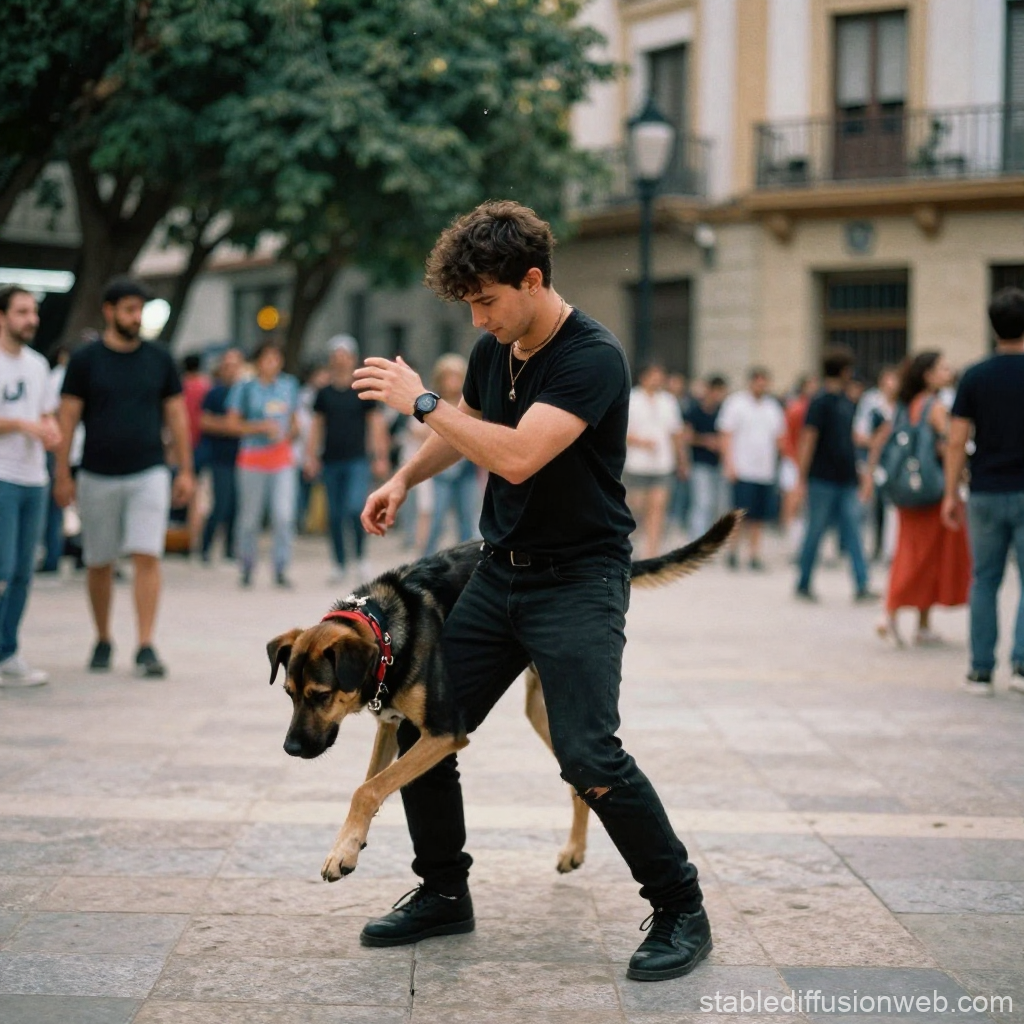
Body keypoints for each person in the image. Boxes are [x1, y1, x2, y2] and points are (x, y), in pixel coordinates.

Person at [351, 201, 711, 982]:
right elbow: (467, 428)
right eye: (470, 304)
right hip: (498, 571)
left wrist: (419, 398)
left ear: (533, 279)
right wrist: (403, 477)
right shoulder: (497, 347)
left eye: (487, 301)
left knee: (588, 754)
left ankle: (681, 908)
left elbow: (516, 457)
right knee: (424, 728)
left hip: (580, 580)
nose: (479, 319)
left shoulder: (592, 356)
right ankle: (445, 891)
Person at [54, 277, 194, 677]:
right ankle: (102, 637)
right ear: (109, 311)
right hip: (96, 473)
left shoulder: (160, 359)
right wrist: (61, 473)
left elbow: (177, 417)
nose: (136, 317)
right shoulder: (85, 361)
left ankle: (145, 644)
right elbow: (67, 417)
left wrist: (185, 469)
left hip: (148, 471)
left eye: (140, 309)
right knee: (98, 560)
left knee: (147, 554)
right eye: (129, 309)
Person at [942, 287, 1024, 696]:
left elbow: (956, 441)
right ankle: (1023, 666)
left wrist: (950, 493)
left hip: (986, 491)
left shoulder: (975, 375)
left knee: (984, 580)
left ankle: (980, 669)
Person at [872, 352, 970, 646]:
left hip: (907, 490)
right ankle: (889, 612)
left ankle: (920, 623)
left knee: (914, 552)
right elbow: (950, 444)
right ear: (928, 374)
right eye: (942, 367)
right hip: (931, 491)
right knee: (922, 558)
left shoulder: (905, 404)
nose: (948, 371)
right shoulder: (935, 406)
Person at [0, 286, 61, 687]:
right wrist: (23, 424)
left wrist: (50, 428)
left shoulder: (38, 365)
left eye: (34, 312)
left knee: (23, 571)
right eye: (22, 311)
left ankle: (8, 651)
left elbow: (44, 412)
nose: (31, 319)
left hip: (34, 477)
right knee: (2, 569)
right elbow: (24, 418)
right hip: (2, 476)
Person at [304, 335, 389, 584]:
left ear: (353, 359)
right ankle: (339, 563)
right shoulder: (323, 393)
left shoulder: (363, 390)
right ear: (331, 360)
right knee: (335, 514)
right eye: (336, 356)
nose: (340, 360)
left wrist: (380, 456)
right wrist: (310, 457)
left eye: (345, 355)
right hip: (330, 460)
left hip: (357, 460)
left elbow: (375, 424)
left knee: (355, 508)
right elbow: (316, 426)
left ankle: (361, 557)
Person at [794, 346, 874, 603]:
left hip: (846, 479)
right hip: (822, 479)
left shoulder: (846, 402)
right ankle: (803, 582)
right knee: (815, 531)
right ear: (844, 371)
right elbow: (808, 439)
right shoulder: (820, 402)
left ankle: (862, 584)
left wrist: (860, 471)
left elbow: (847, 440)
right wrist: (801, 478)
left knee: (853, 532)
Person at [225, 340, 300, 589]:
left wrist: (290, 433)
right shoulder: (245, 388)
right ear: (258, 362)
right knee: (249, 518)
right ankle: (246, 565)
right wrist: (258, 427)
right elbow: (232, 424)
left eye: (276, 358)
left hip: (281, 459)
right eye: (267, 358)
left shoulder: (289, 385)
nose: (272, 363)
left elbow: (294, 421)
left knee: (283, 515)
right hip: (253, 459)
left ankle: (281, 567)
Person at [719, 367, 785, 570]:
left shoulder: (772, 407)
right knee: (739, 514)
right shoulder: (736, 404)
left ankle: (754, 553)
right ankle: (732, 551)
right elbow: (726, 434)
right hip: (743, 468)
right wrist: (729, 463)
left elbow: (779, 438)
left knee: (759, 517)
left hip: (764, 470)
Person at [624, 363, 686, 559]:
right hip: (636, 464)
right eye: (653, 376)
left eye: (660, 376)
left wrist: (681, 460)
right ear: (644, 377)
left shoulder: (668, 401)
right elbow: (619, 431)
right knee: (636, 508)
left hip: (662, 465)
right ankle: (632, 544)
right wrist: (639, 442)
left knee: (658, 508)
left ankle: (651, 552)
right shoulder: (632, 399)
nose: (657, 380)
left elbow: (676, 433)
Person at [423, 353, 481, 555]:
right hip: (441, 469)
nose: (452, 382)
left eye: (456, 376)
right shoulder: (432, 401)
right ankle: (426, 558)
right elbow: (418, 430)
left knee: (466, 519)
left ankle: (466, 561)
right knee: (437, 517)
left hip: (466, 467)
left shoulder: (471, 403)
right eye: (448, 376)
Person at [198, 347, 244, 563]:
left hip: (243, 458)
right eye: (227, 365)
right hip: (219, 457)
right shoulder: (214, 393)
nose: (231, 370)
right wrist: (230, 426)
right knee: (221, 504)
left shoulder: (246, 391)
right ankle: (205, 547)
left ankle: (230, 549)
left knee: (236, 505)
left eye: (235, 365)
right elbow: (204, 421)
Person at [37, 344, 72, 577]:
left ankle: (52, 557)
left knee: (55, 507)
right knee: (57, 506)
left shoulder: (56, 376)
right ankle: (55, 554)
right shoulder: (60, 377)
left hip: (60, 447)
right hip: (64, 446)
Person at [683, 375, 728, 540]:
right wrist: (705, 441)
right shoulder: (694, 411)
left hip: (718, 464)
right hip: (700, 463)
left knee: (715, 505)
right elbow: (687, 436)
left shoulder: (723, 411)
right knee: (702, 503)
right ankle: (697, 539)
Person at [779, 375, 817, 555]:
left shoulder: (812, 409)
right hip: (795, 461)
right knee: (793, 503)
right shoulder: (797, 410)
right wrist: (796, 460)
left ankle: (802, 544)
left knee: (805, 506)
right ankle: (793, 544)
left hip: (806, 462)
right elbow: (789, 438)